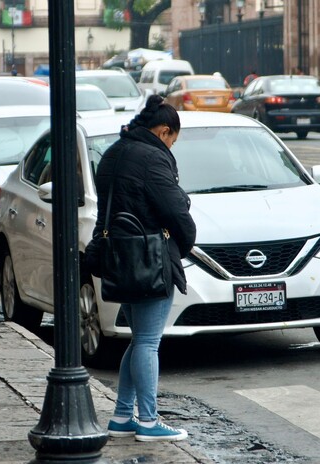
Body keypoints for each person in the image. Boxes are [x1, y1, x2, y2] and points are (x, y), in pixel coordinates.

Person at [93, 94, 196, 442]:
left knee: (139, 340)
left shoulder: (113, 153)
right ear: (164, 131)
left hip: (119, 259)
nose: (172, 146)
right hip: (149, 259)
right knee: (149, 342)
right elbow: (174, 210)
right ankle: (149, 422)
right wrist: (185, 243)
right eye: (172, 140)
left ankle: (123, 416)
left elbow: (103, 210)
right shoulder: (152, 158)